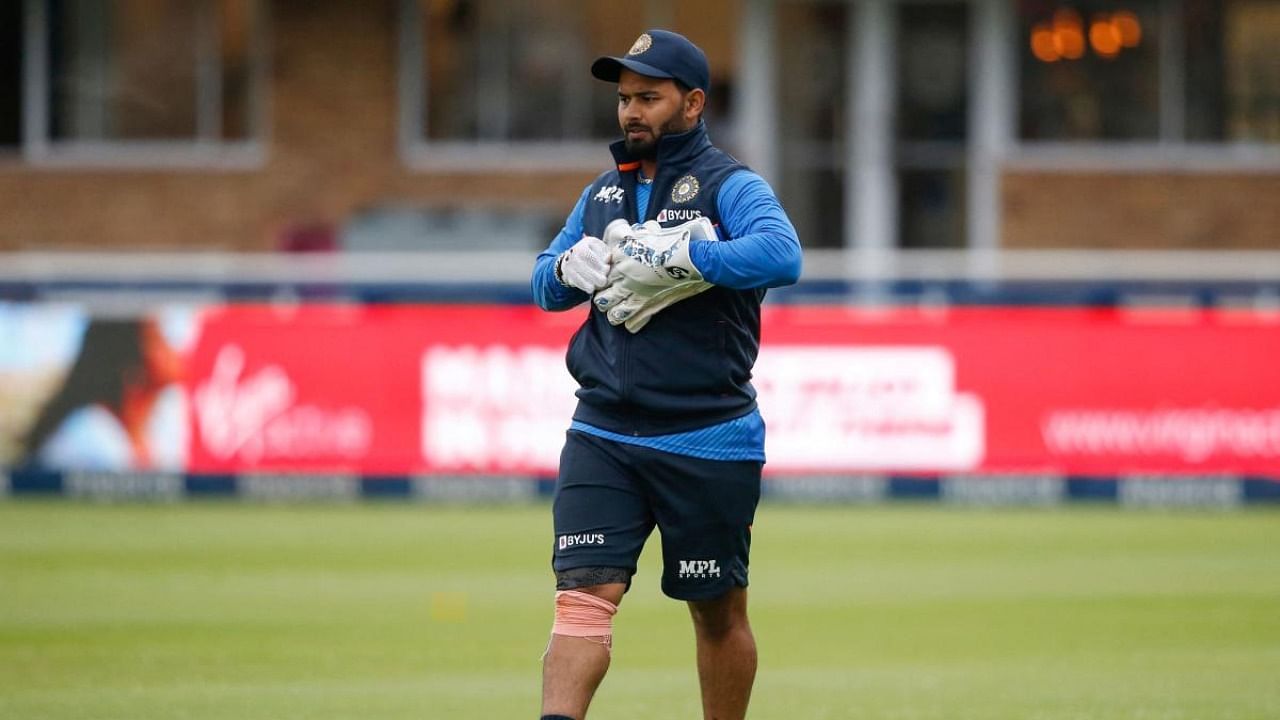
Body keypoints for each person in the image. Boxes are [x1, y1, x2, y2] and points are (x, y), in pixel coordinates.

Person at [530, 29, 802, 720]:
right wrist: (565, 270)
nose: (631, 112)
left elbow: (782, 255)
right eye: (624, 99)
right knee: (582, 598)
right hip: (603, 431)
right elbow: (542, 283)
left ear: (692, 103)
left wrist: (687, 259)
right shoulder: (601, 195)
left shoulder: (730, 185)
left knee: (716, 617)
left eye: (649, 97)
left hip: (707, 436)